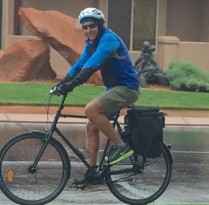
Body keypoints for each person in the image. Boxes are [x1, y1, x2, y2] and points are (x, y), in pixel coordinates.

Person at [54, 8, 140, 185]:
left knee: (91, 110)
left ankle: (121, 147)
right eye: (84, 27)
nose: (88, 30)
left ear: (100, 25)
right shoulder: (91, 43)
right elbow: (80, 63)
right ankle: (92, 173)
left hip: (127, 88)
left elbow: (92, 64)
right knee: (91, 126)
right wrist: (62, 83)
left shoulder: (109, 39)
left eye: (91, 26)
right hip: (114, 88)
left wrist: (74, 83)